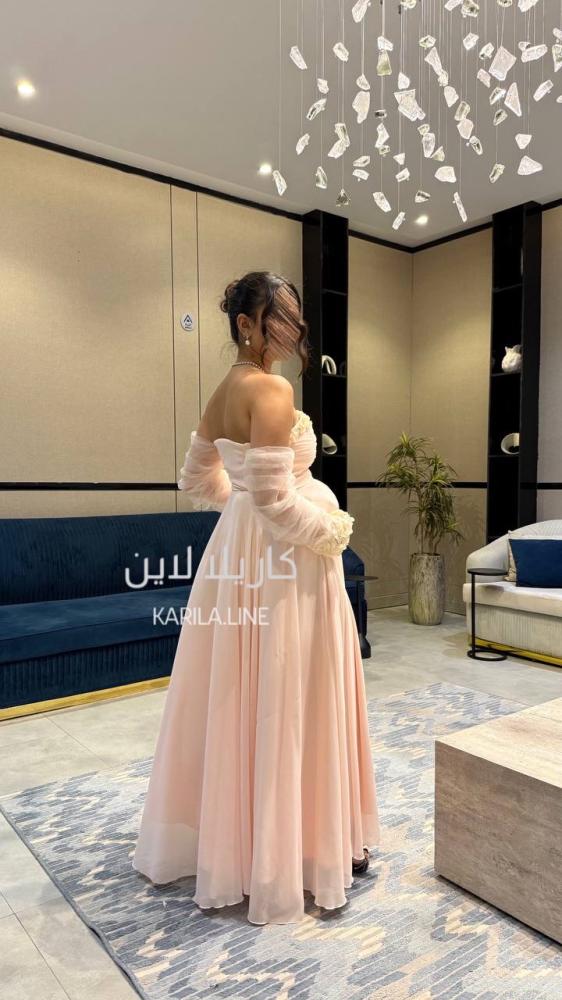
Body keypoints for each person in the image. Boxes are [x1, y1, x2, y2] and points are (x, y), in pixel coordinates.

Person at [132, 271, 380, 925]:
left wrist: (240, 509)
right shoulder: (271, 389)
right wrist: (332, 531)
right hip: (288, 560)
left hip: (243, 555)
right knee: (290, 688)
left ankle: (250, 843)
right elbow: (274, 500)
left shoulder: (224, 389)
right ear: (246, 324)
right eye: (279, 317)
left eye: (295, 315)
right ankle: (299, 848)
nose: (292, 329)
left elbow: (198, 480)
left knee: (247, 689)